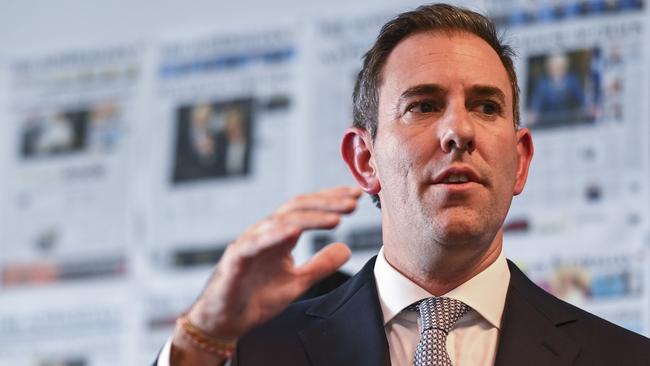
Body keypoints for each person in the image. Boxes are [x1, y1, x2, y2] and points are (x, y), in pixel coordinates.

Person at [157, 3, 650, 365]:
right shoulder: (257, 353)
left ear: (519, 162)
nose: (459, 131)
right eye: (424, 105)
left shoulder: (622, 358)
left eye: (486, 106)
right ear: (364, 158)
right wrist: (201, 335)